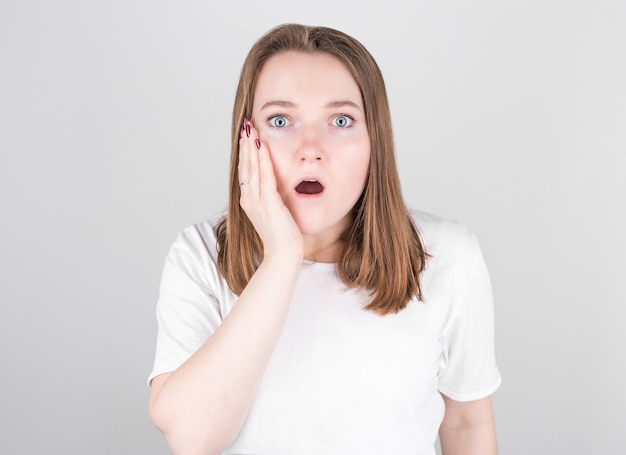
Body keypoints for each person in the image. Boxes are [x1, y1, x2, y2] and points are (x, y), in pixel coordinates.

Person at [148, 23, 501, 455]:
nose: (310, 148)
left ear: (375, 140)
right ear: (247, 140)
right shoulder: (199, 256)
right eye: (281, 120)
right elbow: (192, 438)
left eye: (341, 120)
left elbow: (466, 423)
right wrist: (282, 255)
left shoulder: (448, 255)